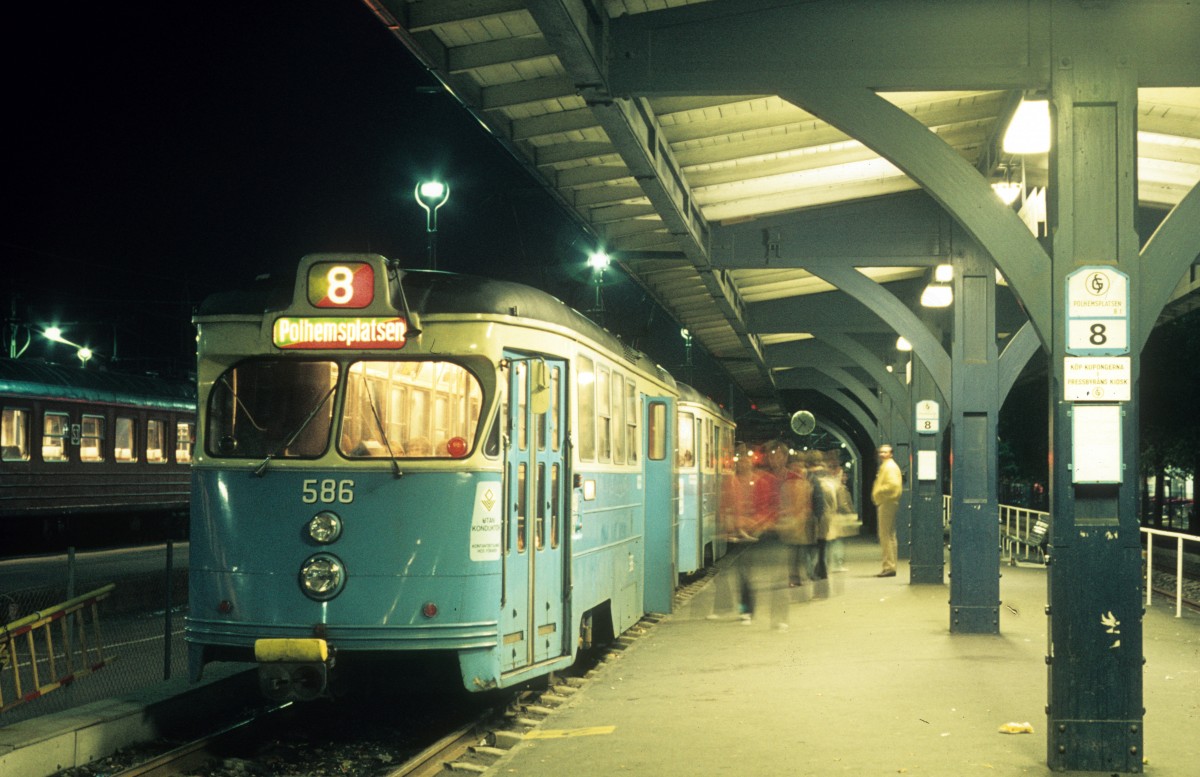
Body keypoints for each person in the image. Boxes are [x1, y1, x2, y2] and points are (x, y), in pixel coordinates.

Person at [871, 444, 903, 577]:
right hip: (890, 502)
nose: (882, 454)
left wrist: (879, 491)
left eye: (885, 452)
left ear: (891, 453)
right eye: (881, 452)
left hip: (887, 501)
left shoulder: (889, 467)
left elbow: (893, 485)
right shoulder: (889, 466)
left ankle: (889, 567)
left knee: (885, 535)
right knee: (890, 535)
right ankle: (891, 565)